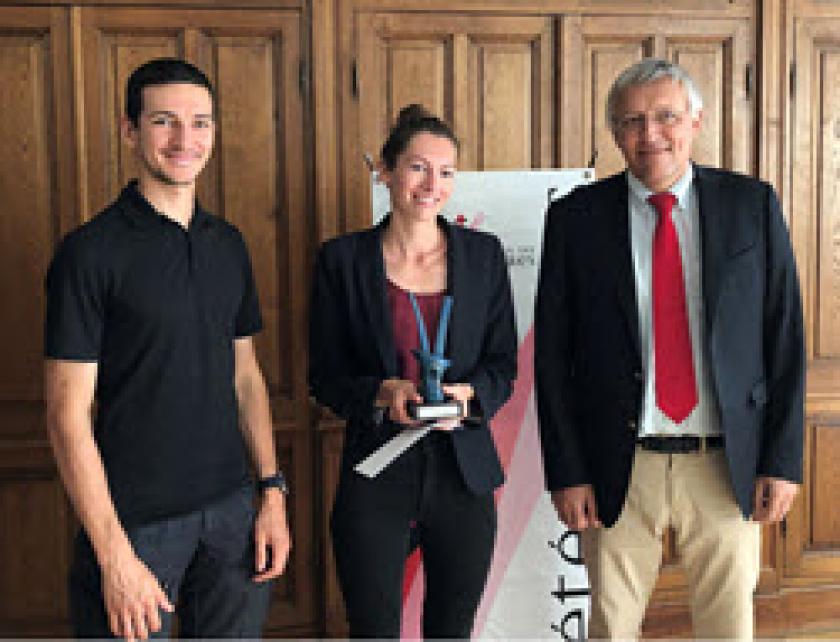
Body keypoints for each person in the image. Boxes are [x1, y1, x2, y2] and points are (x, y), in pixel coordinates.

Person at [535, 58, 805, 639]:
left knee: (728, 628)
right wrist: (568, 471)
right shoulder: (574, 220)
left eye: (666, 117)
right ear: (614, 133)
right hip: (618, 463)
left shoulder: (751, 206)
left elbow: (784, 337)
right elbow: (554, 360)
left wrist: (781, 461)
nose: (649, 135)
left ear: (696, 121)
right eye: (631, 121)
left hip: (725, 462)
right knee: (610, 626)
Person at [44, 58, 291, 640]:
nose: (186, 140)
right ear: (130, 131)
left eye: (201, 122)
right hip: (136, 528)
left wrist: (272, 492)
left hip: (234, 520)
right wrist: (114, 556)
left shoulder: (228, 245)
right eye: (164, 121)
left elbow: (247, 379)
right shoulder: (90, 253)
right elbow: (65, 415)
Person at [308, 104, 517, 638]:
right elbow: (326, 377)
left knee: (452, 630)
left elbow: (502, 365)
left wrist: (470, 396)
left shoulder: (484, 256)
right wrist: (382, 392)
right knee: (372, 630)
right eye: (418, 167)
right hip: (377, 468)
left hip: (463, 472)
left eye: (446, 171)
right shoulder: (342, 261)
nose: (432, 185)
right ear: (385, 171)